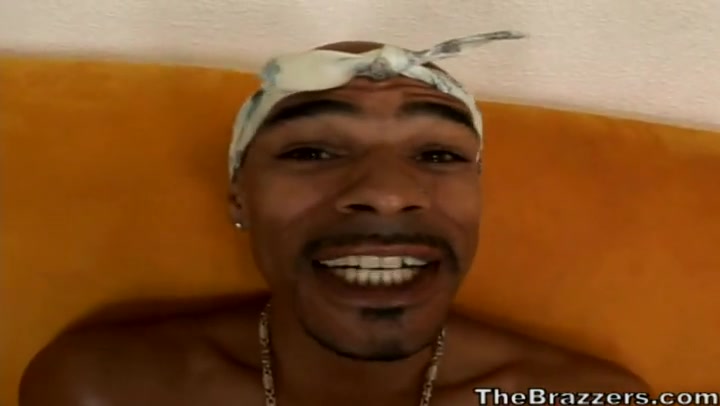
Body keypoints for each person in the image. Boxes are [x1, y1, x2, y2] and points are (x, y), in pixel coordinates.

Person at [19, 32, 649, 406]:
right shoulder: (103, 391)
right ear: (239, 197)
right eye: (312, 152)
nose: (387, 194)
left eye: (438, 154)